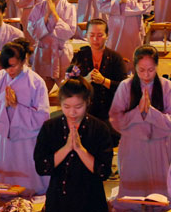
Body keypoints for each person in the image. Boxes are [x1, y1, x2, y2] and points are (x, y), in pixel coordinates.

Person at [109, 45, 171, 210]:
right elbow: (116, 118)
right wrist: (137, 112)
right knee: (133, 187)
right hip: (132, 144)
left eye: (151, 70)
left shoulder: (167, 86)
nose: (146, 75)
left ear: (157, 66)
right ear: (134, 67)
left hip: (159, 144)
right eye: (141, 70)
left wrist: (151, 113)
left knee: (158, 189)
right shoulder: (126, 86)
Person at [33, 74, 113, 212]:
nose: (72, 112)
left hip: (91, 201)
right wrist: (66, 148)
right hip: (58, 201)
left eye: (78, 106)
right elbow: (41, 167)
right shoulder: (50, 127)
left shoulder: (100, 129)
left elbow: (104, 172)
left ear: (87, 102)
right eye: (66, 106)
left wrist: (80, 149)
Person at [0, 39, 51, 195]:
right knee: (4, 177)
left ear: (23, 61)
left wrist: (16, 107)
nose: (9, 70)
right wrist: (3, 104)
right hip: (4, 136)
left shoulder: (36, 82)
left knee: (27, 172)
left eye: (13, 66)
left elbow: (42, 116)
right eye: (6, 67)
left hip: (27, 138)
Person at [69, 19, 128, 140]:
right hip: (84, 111)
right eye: (92, 35)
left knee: (108, 137)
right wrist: (85, 80)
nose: (95, 39)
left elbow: (124, 88)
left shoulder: (115, 58)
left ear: (107, 36)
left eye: (100, 35)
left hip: (109, 111)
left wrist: (103, 81)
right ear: (86, 35)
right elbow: (69, 86)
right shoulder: (79, 57)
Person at [98, 0, 152, 70]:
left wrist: (127, 2)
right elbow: (101, 5)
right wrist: (117, 2)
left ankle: (133, 74)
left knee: (133, 53)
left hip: (133, 26)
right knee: (114, 52)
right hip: (115, 25)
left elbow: (146, 6)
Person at [27, 0, 76, 91]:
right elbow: (33, 32)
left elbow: (69, 32)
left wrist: (54, 13)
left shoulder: (69, 7)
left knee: (68, 90)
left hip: (62, 53)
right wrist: (46, 15)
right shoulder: (38, 8)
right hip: (43, 53)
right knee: (40, 90)